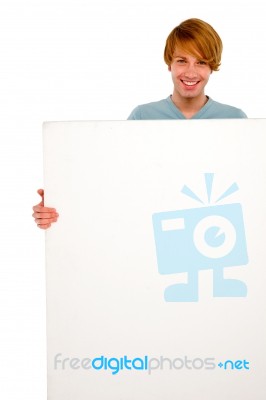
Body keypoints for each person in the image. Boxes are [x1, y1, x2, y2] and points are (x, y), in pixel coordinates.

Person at [32, 18, 247, 229]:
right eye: (182, 60)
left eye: (201, 62)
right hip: (153, 233)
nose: (190, 72)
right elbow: (112, 181)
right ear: (169, 64)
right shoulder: (143, 116)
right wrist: (59, 206)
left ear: (212, 67)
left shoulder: (236, 120)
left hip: (216, 230)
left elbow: (249, 190)